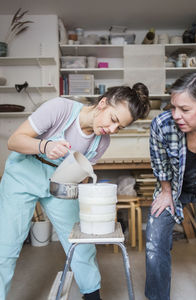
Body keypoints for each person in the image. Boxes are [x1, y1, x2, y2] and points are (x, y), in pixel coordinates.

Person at [0, 83, 150, 300]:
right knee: (6, 246)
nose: (112, 129)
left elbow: (83, 174)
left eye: (120, 128)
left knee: (80, 242)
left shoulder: (101, 141)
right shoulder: (60, 109)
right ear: (103, 103)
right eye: (114, 120)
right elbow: (14, 141)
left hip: (60, 181)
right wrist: (46, 146)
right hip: (23, 173)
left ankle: (92, 295)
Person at [145, 71, 196, 300]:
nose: (176, 115)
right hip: (174, 189)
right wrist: (166, 193)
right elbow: (160, 165)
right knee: (154, 241)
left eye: (185, 109)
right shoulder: (162, 124)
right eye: (173, 106)